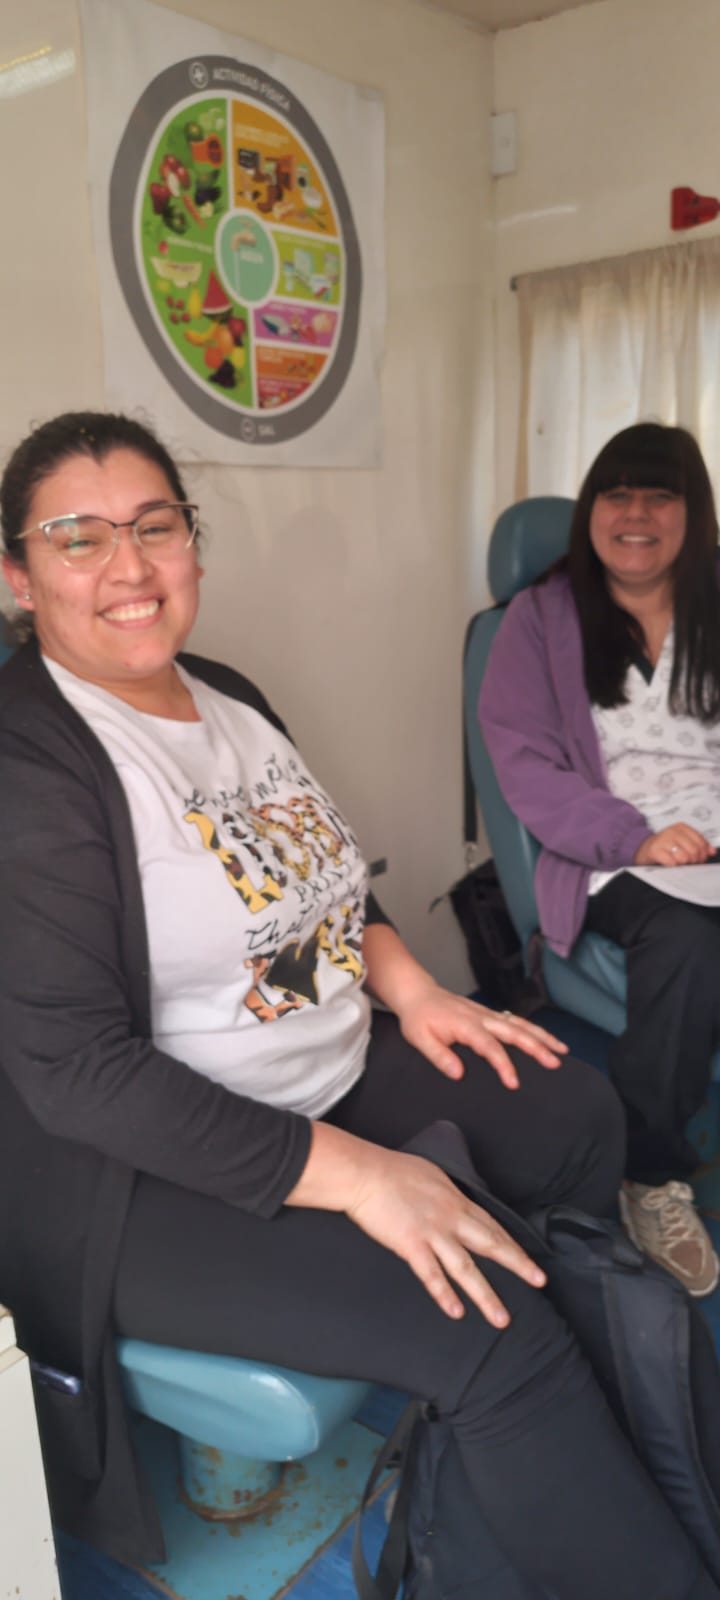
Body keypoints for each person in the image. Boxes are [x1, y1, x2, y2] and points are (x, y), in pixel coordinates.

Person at [0, 411, 718, 1600]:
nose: (128, 565)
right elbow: (79, 1074)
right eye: (79, 537)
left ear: (192, 544)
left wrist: (419, 992)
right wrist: (363, 1177)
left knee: (575, 1117)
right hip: (144, 1171)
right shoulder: (33, 758)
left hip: (316, 1063)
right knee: (492, 1330)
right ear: (20, 577)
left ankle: (547, 1451)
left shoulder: (228, 695)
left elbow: (324, 888)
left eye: (155, 526)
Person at [479, 421, 720, 1299]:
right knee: (688, 940)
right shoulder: (539, 620)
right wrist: (635, 838)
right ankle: (650, 1174)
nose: (636, 515)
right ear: (590, 511)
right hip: (619, 859)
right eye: (617, 495)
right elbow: (527, 766)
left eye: (660, 496)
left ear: (694, 513)